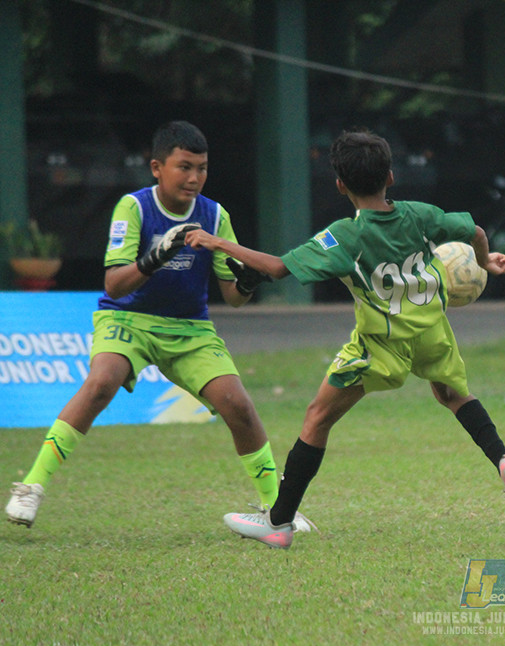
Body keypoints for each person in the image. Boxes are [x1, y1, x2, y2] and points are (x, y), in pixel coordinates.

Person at [184, 129, 505, 549]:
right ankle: (502, 458)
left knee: (317, 417)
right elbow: (475, 230)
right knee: (454, 396)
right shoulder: (419, 214)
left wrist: (217, 242)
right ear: (390, 177)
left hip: (379, 345)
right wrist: (485, 261)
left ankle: (277, 523)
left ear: (339, 185)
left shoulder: (344, 236)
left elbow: (276, 268)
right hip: (430, 330)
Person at [5, 120, 316, 534]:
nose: (194, 178)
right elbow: (114, 285)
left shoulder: (214, 215)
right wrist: (157, 255)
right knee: (100, 383)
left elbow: (233, 298)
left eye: (202, 168)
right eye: (184, 167)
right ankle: (31, 486)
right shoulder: (133, 208)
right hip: (127, 319)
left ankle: (276, 509)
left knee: (238, 405)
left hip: (190, 328)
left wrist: (246, 282)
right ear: (156, 167)